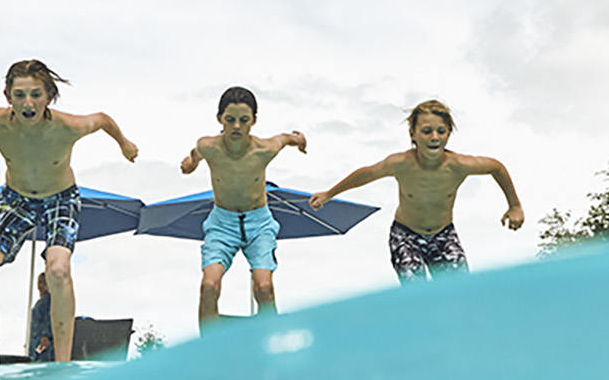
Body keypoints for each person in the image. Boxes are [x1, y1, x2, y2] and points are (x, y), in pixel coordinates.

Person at [0, 60, 139, 366]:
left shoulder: (68, 126)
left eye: (35, 94)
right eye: (19, 95)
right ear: (7, 96)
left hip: (60, 198)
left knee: (57, 270)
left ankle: (62, 365)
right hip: (15, 198)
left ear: (49, 97)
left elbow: (101, 119)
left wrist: (124, 144)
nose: (27, 103)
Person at [309, 99, 523, 282]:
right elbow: (367, 173)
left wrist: (514, 205)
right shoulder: (401, 163)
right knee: (416, 287)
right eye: (427, 131)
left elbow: (496, 167)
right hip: (405, 235)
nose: (434, 137)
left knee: (459, 290)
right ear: (413, 134)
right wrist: (329, 193)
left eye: (441, 131)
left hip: (444, 236)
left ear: (449, 133)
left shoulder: (459, 165)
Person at [179, 86, 308, 323]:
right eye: (230, 120)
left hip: (259, 223)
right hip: (221, 223)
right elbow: (196, 152)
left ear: (253, 121)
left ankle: (269, 342)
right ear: (220, 119)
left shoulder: (264, 149)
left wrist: (298, 139)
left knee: (264, 287)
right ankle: (208, 352)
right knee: (209, 286)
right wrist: (191, 162)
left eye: (243, 120)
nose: (236, 126)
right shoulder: (209, 146)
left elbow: (284, 138)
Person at [28, 273, 54, 361]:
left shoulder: (49, 300)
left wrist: (46, 335)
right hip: (36, 344)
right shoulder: (40, 303)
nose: (39, 285)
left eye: (43, 282)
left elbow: (49, 317)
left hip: (44, 346)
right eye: (39, 282)